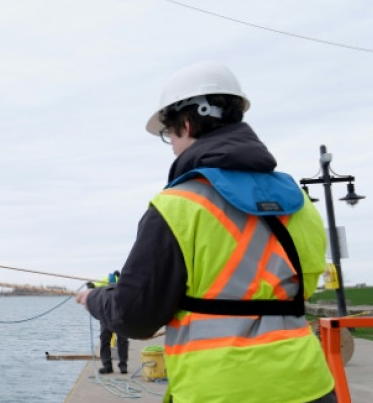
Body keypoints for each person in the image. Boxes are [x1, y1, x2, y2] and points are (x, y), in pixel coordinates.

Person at [75, 62, 336, 403]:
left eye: (170, 135)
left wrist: (94, 298)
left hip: (219, 391)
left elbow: (135, 316)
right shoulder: (299, 201)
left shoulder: (178, 206)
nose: (171, 147)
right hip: (309, 386)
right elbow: (297, 282)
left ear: (186, 123)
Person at [87, 270, 129, 374]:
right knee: (105, 339)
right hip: (106, 315)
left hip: (120, 316)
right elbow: (96, 284)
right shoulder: (108, 279)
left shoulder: (125, 281)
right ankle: (107, 365)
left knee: (122, 340)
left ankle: (123, 365)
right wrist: (92, 285)